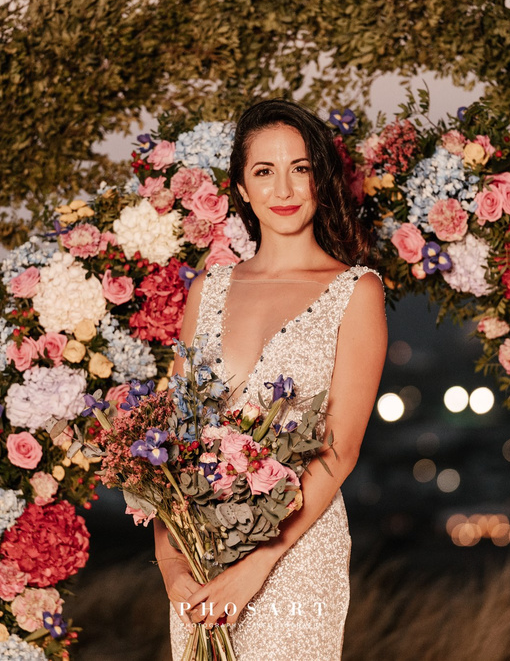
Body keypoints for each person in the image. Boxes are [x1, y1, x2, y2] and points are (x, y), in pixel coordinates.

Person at [156, 99, 387, 660]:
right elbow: (173, 445)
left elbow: (341, 449)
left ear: (319, 179)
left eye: (300, 168)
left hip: (297, 556)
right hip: (199, 552)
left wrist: (256, 567)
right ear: (240, 186)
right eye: (265, 171)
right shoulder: (205, 290)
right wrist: (170, 562)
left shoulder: (356, 292)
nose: (284, 188)